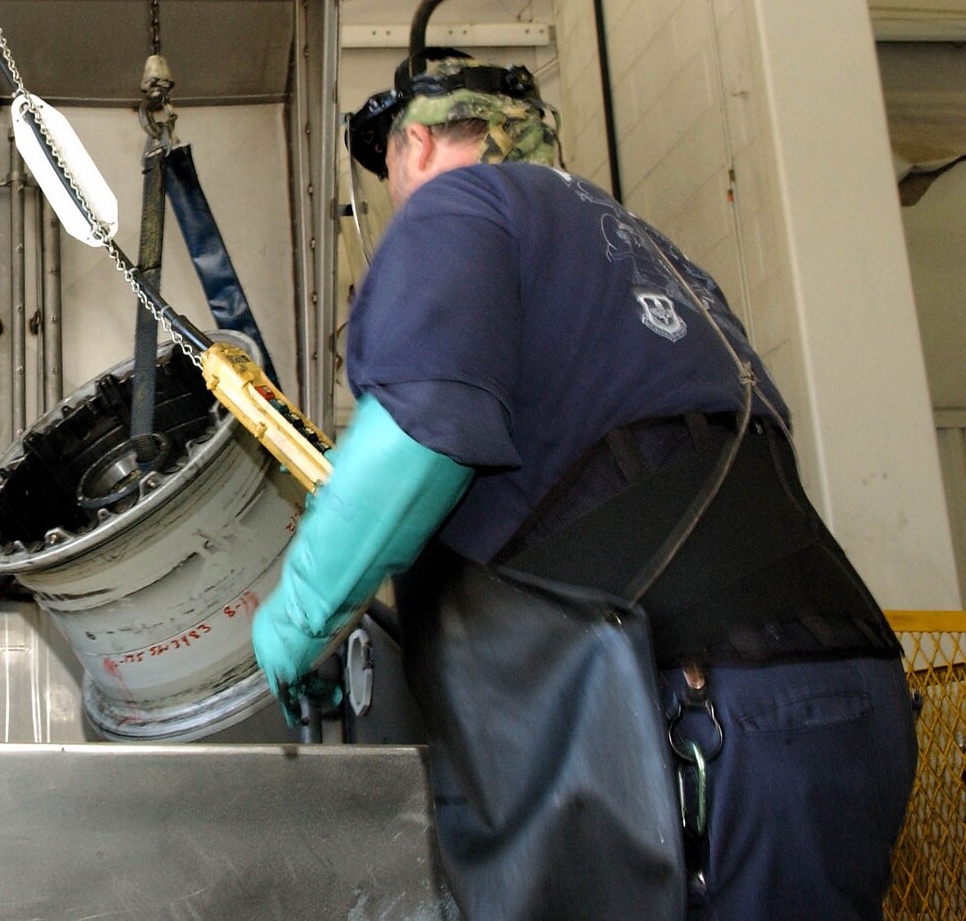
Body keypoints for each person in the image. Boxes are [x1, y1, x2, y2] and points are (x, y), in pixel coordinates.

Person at [251, 53, 916, 920]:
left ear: (413, 144)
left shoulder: (456, 207)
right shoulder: (659, 261)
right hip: (849, 693)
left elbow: (417, 439)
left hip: (703, 719)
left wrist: (298, 623)